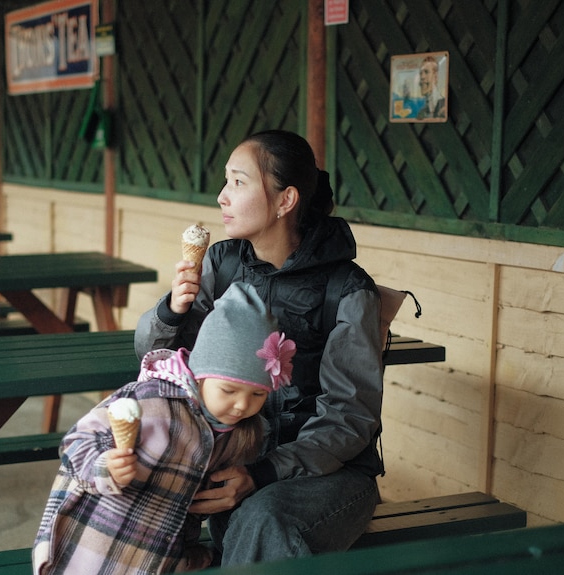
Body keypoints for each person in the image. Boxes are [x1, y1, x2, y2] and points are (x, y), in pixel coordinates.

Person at [135, 129, 385, 565]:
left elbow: (350, 418)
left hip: (329, 477)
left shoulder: (347, 289)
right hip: (235, 462)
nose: (221, 197)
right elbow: (158, 361)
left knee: (264, 521)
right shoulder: (221, 264)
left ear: (286, 200)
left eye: (237, 182)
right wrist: (172, 311)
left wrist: (261, 474)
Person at [33, 282, 297, 574]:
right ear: (201, 375)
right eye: (229, 390)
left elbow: (188, 509)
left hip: (153, 560)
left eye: (257, 394)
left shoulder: (237, 433)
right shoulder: (151, 401)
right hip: (92, 551)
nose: (241, 405)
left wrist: (189, 557)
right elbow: (76, 442)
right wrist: (105, 467)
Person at [416, 55, 446, 120]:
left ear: (435, 77)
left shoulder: (444, 106)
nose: (422, 77)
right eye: (421, 73)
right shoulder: (421, 113)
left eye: (426, 72)